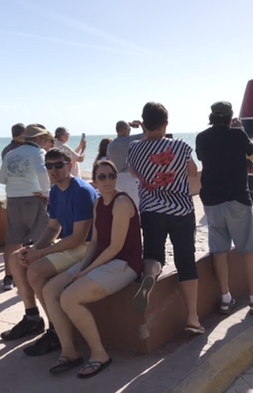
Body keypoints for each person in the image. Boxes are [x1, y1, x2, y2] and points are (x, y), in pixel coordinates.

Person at [42, 160, 142, 379]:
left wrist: (86, 272)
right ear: (95, 181)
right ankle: (69, 351)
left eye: (112, 175)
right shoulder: (98, 204)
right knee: (50, 290)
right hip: (102, 259)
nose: (108, 181)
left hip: (124, 263)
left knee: (69, 298)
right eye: (102, 177)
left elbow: (116, 247)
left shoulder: (121, 203)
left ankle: (99, 354)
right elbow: (96, 242)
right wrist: (83, 266)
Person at [0, 147, 99, 357]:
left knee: (35, 270)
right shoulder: (55, 191)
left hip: (87, 247)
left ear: (70, 166)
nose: (53, 171)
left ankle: (55, 330)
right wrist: (34, 249)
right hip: (69, 243)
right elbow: (53, 228)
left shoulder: (81, 191)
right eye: (49, 166)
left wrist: (41, 254)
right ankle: (32, 318)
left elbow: (79, 238)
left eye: (58, 165)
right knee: (16, 259)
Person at [196, 101, 253, 316]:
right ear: (230, 116)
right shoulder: (237, 135)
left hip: (212, 202)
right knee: (248, 250)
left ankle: (225, 298)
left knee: (219, 251)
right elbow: (252, 152)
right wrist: (240, 130)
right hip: (237, 199)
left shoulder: (202, 138)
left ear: (212, 116)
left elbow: (203, 158)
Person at [127, 102, 204, 334]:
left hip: (151, 210)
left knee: (152, 254)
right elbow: (192, 171)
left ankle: (150, 275)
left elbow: (133, 173)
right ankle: (192, 318)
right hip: (181, 211)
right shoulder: (180, 146)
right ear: (166, 124)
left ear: (143, 123)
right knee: (186, 260)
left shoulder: (134, 148)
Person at [0, 124, 52, 290]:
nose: (45, 141)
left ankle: (8, 277)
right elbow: (43, 173)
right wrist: (47, 193)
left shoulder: (11, 154)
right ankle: (39, 275)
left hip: (13, 200)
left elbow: (1, 178)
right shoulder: (39, 153)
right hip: (34, 198)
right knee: (40, 238)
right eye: (44, 138)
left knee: (13, 240)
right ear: (37, 139)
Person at [106, 120, 145, 207]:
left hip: (117, 178)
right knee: (135, 206)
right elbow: (147, 134)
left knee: (121, 207)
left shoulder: (110, 145)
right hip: (131, 177)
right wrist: (140, 124)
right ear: (125, 130)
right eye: (129, 129)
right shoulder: (129, 141)